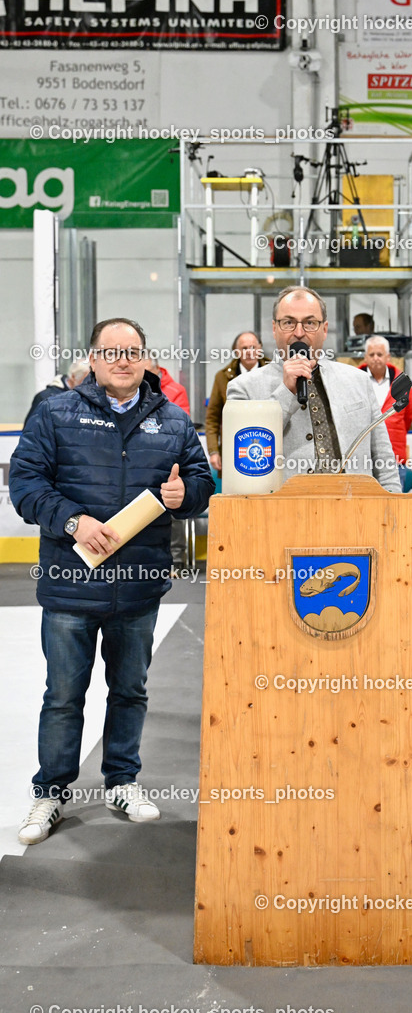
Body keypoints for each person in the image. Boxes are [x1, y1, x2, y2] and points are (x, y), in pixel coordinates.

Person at [9, 318, 215, 846]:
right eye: (112, 351)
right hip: (70, 585)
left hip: (138, 588)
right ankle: (50, 792)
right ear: (94, 359)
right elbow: (25, 482)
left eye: (133, 351)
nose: (123, 360)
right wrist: (73, 521)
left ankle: (122, 781)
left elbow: (201, 482)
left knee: (129, 691)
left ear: (146, 358)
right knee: (63, 695)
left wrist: (186, 496)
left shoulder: (173, 420)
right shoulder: (55, 412)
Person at [226, 286, 400, 492]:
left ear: (324, 329)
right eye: (288, 322)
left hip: (355, 506)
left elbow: (383, 459)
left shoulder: (359, 381)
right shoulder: (244, 388)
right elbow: (245, 457)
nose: (299, 333)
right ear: (274, 328)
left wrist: (392, 505)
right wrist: (286, 391)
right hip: (283, 508)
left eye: (310, 323)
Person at [146, 354, 191, 572]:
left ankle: (177, 558)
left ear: (156, 370)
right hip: (144, 458)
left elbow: (180, 426)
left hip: (170, 458)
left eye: (147, 372)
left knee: (174, 505)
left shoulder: (175, 390)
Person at [205, 332, 268, 474]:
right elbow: (212, 418)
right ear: (236, 351)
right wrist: (214, 451)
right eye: (244, 348)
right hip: (234, 447)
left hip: (268, 444)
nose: (249, 352)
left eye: (253, 347)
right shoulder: (222, 377)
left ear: (260, 348)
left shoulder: (274, 372)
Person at [359, 335, 412, 489]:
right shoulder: (354, 380)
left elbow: (408, 417)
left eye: (380, 354)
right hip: (361, 458)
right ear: (365, 357)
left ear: (388, 357)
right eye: (372, 354)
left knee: (394, 500)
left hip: (395, 457)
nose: (376, 358)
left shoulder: (402, 383)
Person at [24, 359, 91, 425]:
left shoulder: (89, 398)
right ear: (73, 377)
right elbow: (31, 428)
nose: (89, 383)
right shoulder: (45, 397)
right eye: (86, 379)